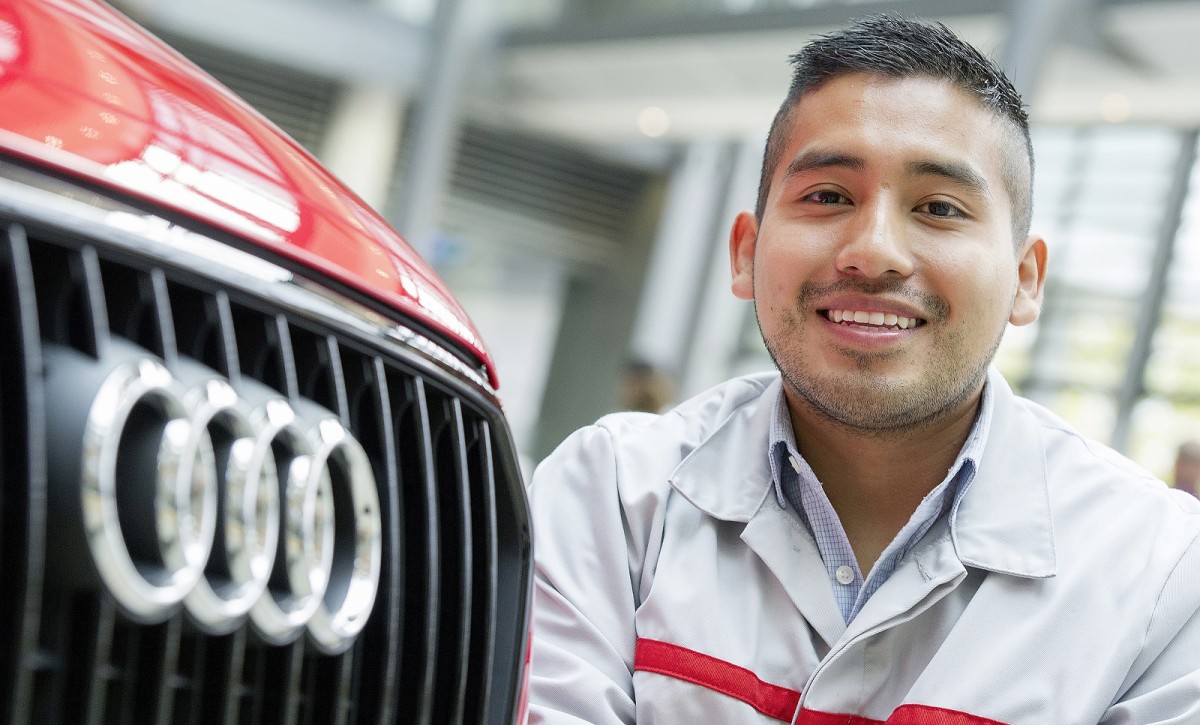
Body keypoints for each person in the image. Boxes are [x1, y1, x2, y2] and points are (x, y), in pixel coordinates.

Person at [526, 14, 1200, 725]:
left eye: (939, 207)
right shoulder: (612, 495)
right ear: (746, 253)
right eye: (827, 196)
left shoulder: (1163, 575)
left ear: (1026, 279)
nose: (874, 251)